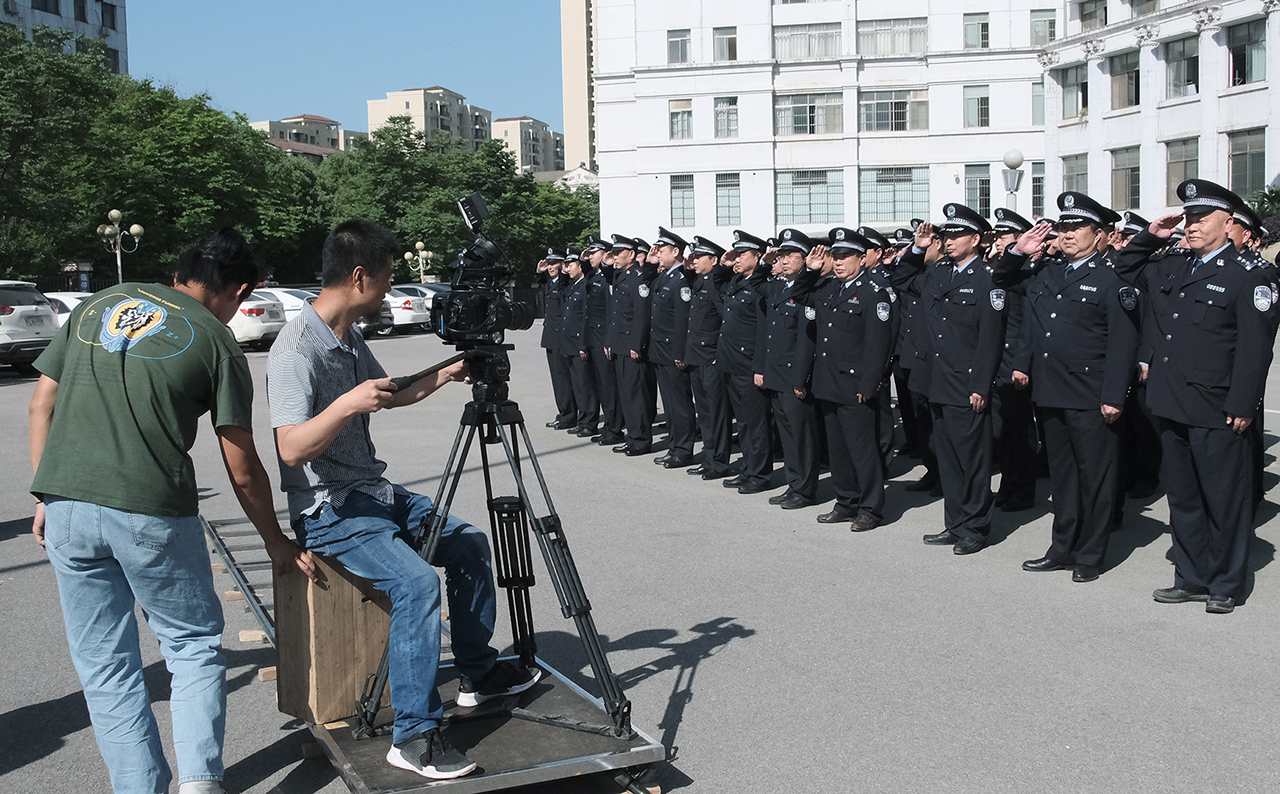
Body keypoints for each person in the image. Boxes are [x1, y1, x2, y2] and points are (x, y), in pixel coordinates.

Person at [28, 228, 317, 794]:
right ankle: (200, 783)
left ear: (179, 273)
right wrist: (275, 541)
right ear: (239, 290)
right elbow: (242, 466)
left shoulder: (98, 305)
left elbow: (42, 403)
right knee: (191, 647)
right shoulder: (216, 341)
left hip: (66, 506)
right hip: (152, 510)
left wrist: (45, 496)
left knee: (105, 665)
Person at [267, 220, 539, 778]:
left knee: (468, 544)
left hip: (374, 492)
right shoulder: (295, 349)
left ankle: (479, 674)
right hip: (329, 508)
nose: (391, 288)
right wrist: (347, 404)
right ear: (360, 276)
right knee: (416, 585)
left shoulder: (348, 335)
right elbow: (290, 448)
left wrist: (449, 373)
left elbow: (390, 394)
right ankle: (413, 735)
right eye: (388, 277)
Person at [1113, 181, 1275, 613]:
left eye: (1203, 218)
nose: (1192, 225)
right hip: (1170, 401)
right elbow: (1122, 268)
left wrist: (1243, 404)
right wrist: (1151, 234)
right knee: (1183, 499)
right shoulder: (1172, 265)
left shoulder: (1249, 275)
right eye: (1189, 218)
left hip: (1217, 406)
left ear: (1228, 223)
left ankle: (1225, 584)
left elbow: (1256, 349)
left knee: (1223, 499)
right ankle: (1190, 577)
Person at [996, 193, 1139, 583]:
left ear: (1099, 234)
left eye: (1078, 228)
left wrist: (1114, 396)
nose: (1069, 234)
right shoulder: (1047, 271)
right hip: (1051, 391)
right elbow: (1002, 279)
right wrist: (1018, 250)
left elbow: (1123, 343)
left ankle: (1090, 555)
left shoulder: (1113, 278)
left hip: (1092, 394)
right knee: (1063, 478)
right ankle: (1062, 548)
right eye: (1064, 228)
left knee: (1096, 478)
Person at [893, 204, 1008, 555]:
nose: (950, 240)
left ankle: (975, 527)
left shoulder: (988, 278)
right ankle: (955, 523)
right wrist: (917, 249)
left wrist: (981, 385)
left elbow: (991, 339)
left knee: (972, 460)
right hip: (936, 380)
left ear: (976, 239)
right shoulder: (938, 273)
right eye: (947, 235)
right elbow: (899, 279)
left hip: (966, 382)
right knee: (948, 459)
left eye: (958, 235)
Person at [792, 228, 896, 529]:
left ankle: (870, 508)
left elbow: (878, 344)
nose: (838, 262)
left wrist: (869, 384)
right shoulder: (828, 289)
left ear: (862, 259)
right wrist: (810, 271)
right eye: (835, 256)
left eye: (845, 256)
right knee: (837, 450)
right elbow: (798, 295)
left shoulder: (874, 293)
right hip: (828, 382)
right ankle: (846, 501)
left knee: (862, 450)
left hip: (855, 385)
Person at [756, 228, 823, 508]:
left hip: (795, 375)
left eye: (790, 255)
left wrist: (800, 378)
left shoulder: (810, 290)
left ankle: (805, 490)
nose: (783, 260)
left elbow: (807, 340)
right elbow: (755, 284)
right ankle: (794, 484)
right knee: (787, 434)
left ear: (805, 259)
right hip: (776, 373)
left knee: (801, 436)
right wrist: (764, 263)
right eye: (781, 255)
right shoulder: (778, 287)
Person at [987, 207, 1040, 513]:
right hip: (999, 360)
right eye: (996, 235)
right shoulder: (998, 268)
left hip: (1017, 362)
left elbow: (1028, 324)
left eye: (1004, 235)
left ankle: (1024, 490)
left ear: (1021, 237)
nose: (998, 239)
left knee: (1021, 432)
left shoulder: (1029, 272)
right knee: (1004, 432)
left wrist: (1022, 363)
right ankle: (1008, 486)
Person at [718, 231, 775, 493]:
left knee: (757, 424)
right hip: (732, 363)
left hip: (749, 365)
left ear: (758, 256)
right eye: (736, 254)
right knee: (743, 423)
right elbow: (715, 283)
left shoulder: (761, 286)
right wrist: (723, 264)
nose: (737, 258)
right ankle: (748, 469)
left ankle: (760, 475)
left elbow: (764, 332)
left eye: (742, 254)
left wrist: (760, 367)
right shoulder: (737, 281)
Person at [677, 237, 736, 480]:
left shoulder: (715, 283)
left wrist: (718, 353)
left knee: (717, 413)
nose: (694, 261)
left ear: (713, 260)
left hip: (711, 357)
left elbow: (726, 322)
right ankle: (709, 458)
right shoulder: (700, 280)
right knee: (705, 413)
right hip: (696, 357)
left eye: (700, 257)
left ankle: (719, 462)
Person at [649, 226, 698, 468]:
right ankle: (674, 446)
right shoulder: (664, 277)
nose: (657, 253)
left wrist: (680, 352)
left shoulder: (682, 281)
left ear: (676, 251)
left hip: (673, 352)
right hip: (660, 350)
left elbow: (682, 321)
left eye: (662, 249)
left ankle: (684, 450)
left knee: (680, 404)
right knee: (669, 404)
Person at [608, 235, 660, 455]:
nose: (614, 257)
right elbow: (616, 315)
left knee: (637, 394)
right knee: (626, 394)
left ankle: (641, 440)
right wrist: (610, 341)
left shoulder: (639, 278)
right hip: (620, 344)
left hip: (632, 346)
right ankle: (632, 436)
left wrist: (637, 345)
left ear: (630, 254)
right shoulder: (621, 276)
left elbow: (641, 316)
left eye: (617, 253)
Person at [560, 249, 599, 437]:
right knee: (577, 385)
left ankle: (589, 423)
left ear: (580, 266)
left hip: (579, 343)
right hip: (570, 343)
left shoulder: (585, 286)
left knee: (586, 386)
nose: (567, 269)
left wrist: (583, 344)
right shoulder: (573, 286)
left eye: (570, 265)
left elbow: (585, 318)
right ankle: (582, 420)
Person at [536, 249, 576, 428]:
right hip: (551, 336)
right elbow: (543, 284)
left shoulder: (565, 284)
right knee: (557, 378)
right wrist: (540, 272)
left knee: (564, 378)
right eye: (548, 264)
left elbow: (562, 285)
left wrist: (564, 272)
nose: (550, 267)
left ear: (563, 265)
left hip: (561, 337)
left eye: (554, 264)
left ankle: (569, 415)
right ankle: (563, 412)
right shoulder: (551, 283)